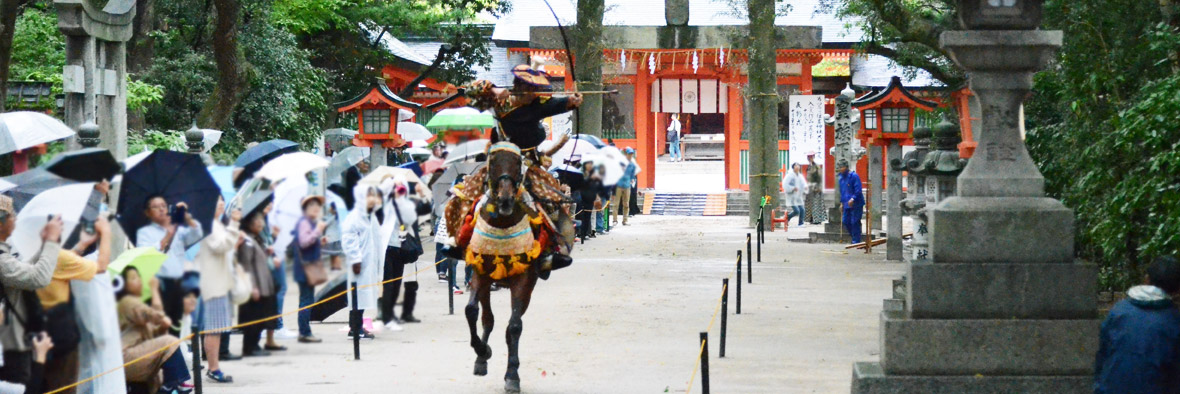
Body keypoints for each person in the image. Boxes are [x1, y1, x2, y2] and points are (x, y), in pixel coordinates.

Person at [38, 211, 111, 394]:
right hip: (61, 336)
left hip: (38, 334)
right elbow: (101, 266)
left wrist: (82, 244)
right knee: (63, 387)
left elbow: (63, 260)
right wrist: (106, 233)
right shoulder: (59, 257)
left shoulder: (32, 254)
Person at [0, 195, 63, 386]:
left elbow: (21, 272)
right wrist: (51, 241)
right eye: (12, 215)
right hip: (9, 349)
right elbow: (38, 278)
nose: (16, 219)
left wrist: (46, 245)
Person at [1094, 256, 1180, 393]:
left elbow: (1102, 356)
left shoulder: (1119, 311)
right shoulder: (1173, 322)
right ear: (1177, 291)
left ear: (1147, 279)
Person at [136, 196, 204, 337]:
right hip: (160, 284)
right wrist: (167, 236)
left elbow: (198, 234)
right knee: (161, 326)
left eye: (164, 205)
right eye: (156, 207)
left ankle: (174, 355)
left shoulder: (179, 230)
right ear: (148, 213)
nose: (161, 209)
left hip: (178, 283)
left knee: (176, 325)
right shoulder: (144, 233)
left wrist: (187, 218)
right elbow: (145, 254)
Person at [116, 267, 192, 393]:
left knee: (158, 374)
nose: (139, 281)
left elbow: (157, 327)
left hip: (135, 357)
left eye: (139, 277)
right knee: (169, 342)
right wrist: (154, 290)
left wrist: (162, 324)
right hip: (126, 356)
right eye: (133, 278)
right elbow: (153, 316)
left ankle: (168, 386)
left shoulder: (136, 303)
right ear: (124, 285)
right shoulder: (127, 301)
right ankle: (174, 385)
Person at [195, 197, 240, 381]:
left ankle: (214, 365)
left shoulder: (217, 224)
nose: (221, 203)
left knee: (218, 326)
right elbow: (221, 246)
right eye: (216, 201)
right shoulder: (207, 226)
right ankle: (213, 368)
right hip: (212, 283)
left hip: (221, 280)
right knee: (214, 327)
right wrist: (235, 225)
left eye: (222, 200)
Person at [342, 185, 384, 339]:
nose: (373, 199)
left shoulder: (370, 216)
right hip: (359, 264)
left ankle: (358, 326)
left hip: (369, 263)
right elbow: (348, 239)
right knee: (357, 296)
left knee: (364, 296)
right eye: (369, 195)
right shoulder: (355, 217)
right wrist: (355, 259)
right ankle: (354, 329)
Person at [238, 207, 279, 357]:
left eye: (261, 220)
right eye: (257, 220)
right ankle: (250, 347)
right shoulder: (246, 241)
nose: (261, 223)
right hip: (255, 286)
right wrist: (252, 286)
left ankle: (254, 345)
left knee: (260, 317)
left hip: (264, 285)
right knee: (253, 318)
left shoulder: (256, 239)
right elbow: (246, 265)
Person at [291, 196, 327, 343]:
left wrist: (320, 241)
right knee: (306, 300)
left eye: (317, 205)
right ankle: (304, 332)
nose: (316, 208)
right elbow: (304, 242)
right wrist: (318, 231)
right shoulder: (304, 223)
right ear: (305, 208)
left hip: (306, 267)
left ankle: (305, 331)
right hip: (305, 269)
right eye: (312, 205)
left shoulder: (308, 223)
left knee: (307, 299)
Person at [837, 160, 865, 244]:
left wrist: (853, 198)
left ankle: (856, 240)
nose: (840, 169)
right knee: (845, 221)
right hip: (846, 203)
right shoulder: (841, 178)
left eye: (841, 167)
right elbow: (842, 192)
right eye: (839, 168)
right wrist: (841, 203)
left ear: (846, 167)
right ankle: (854, 236)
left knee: (855, 221)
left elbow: (858, 189)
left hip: (856, 203)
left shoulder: (854, 176)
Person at [611, 148, 639, 226]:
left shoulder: (632, 165)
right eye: (629, 154)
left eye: (631, 154)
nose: (630, 155)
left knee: (626, 204)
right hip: (618, 185)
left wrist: (631, 181)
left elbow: (632, 176)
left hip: (627, 186)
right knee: (616, 204)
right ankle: (614, 220)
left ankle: (625, 220)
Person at [805, 153, 825, 224]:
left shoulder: (816, 166)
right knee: (810, 204)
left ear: (813, 157)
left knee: (816, 203)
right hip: (810, 187)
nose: (810, 158)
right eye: (808, 157)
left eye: (811, 157)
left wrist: (819, 187)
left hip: (816, 186)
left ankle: (817, 219)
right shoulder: (809, 166)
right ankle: (811, 218)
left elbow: (820, 177)